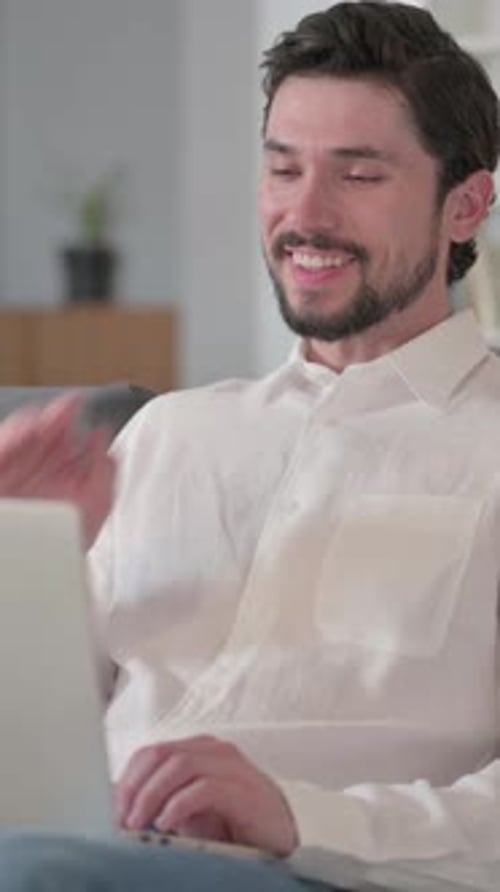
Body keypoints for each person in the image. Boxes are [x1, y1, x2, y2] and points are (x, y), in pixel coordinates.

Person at [0, 2, 499, 890]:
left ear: (465, 206)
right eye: (283, 168)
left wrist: (301, 817)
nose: (305, 214)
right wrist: (25, 559)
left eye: (359, 174)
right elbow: (33, 738)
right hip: (87, 851)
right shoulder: (169, 436)